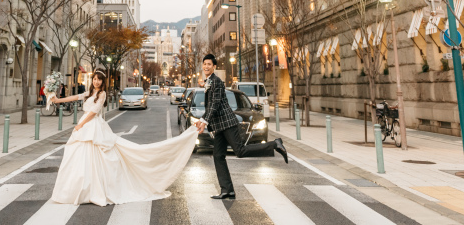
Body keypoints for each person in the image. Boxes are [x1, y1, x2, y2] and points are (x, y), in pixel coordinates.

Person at [51, 70, 197, 206]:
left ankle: (97, 187)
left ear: (103, 82)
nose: (96, 82)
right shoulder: (89, 92)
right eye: (94, 79)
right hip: (86, 126)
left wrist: (80, 125)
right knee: (80, 156)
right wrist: (58, 100)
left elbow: (93, 112)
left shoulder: (102, 94)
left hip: (92, 125)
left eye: (99, 80)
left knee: (100, 156)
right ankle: (80, 188)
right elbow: (76, 97)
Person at [194, 53, 288, 200]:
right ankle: (227, 190)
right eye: (204, 64)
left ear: (214, 67)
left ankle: (275, 145)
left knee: (240, 151)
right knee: (218, 156)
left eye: (209, 64)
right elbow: (210, 106)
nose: (206, 66)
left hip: (228, 123)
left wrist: (204, 121)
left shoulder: (216, 81)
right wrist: (202, 120)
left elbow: (216, 103)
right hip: (219, 126)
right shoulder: (209, 81)